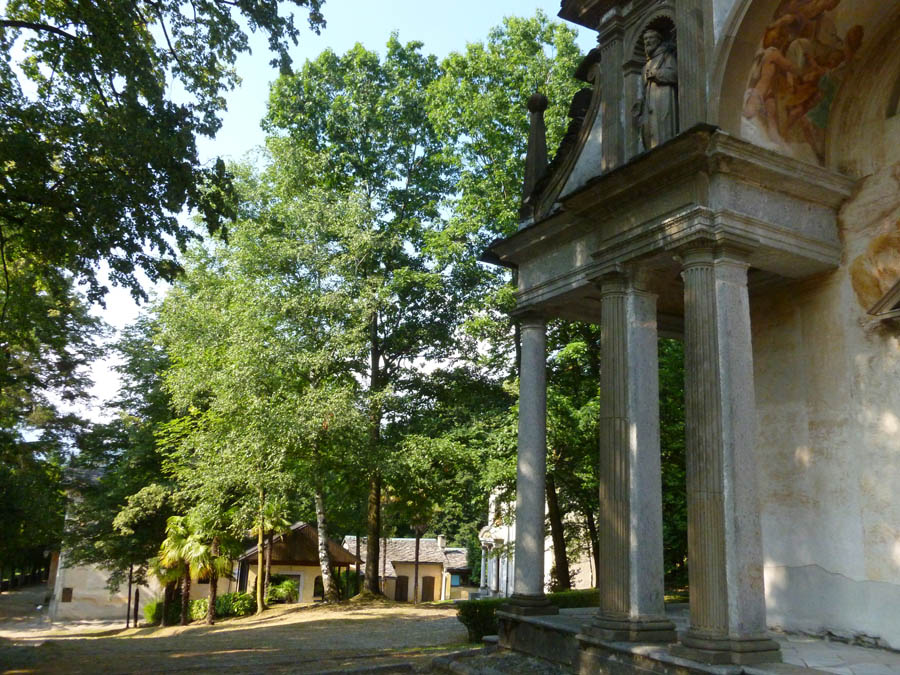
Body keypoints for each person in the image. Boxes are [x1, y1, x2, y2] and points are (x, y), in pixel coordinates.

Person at [635, 29, 678, 150]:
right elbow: (643, 91)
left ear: (658, 40)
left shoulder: (666, 56)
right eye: (645, 39)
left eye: (650, 38)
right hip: (648, 105)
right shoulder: (645, 66)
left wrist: (657, 74)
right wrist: (640, 103)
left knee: (663, 126)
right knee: (648, 130)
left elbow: (675, 75)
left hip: (663, 98)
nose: (647, 42)